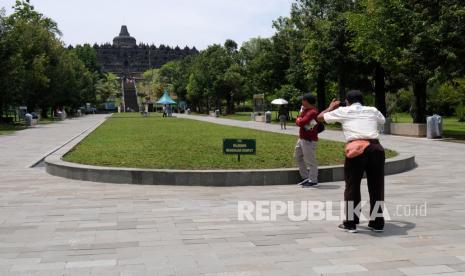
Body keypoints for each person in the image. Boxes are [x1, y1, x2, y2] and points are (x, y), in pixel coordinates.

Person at [317, 90, 386, 233]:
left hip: (357, 149)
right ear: (362, 100)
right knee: (376, 187)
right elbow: (382, 120)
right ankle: (377, 222)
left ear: (347, 101)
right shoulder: (372, 110)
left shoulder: (344, 110)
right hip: (375, 148)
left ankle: (351, 222)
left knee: (352, 186)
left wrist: (331, 107)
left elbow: (319, 118)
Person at [295, 93, 319, 188]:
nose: (301, 101)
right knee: (298, 156)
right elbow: (301, 120)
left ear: (306, 101)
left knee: (310, 161)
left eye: (303, 100)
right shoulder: (305, 110)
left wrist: (298, 119)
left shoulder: (312, 112)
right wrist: (300, 117)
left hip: (309, 140)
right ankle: (305, 177)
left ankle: (313, 180)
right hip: (302, 138)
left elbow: (301, 122)